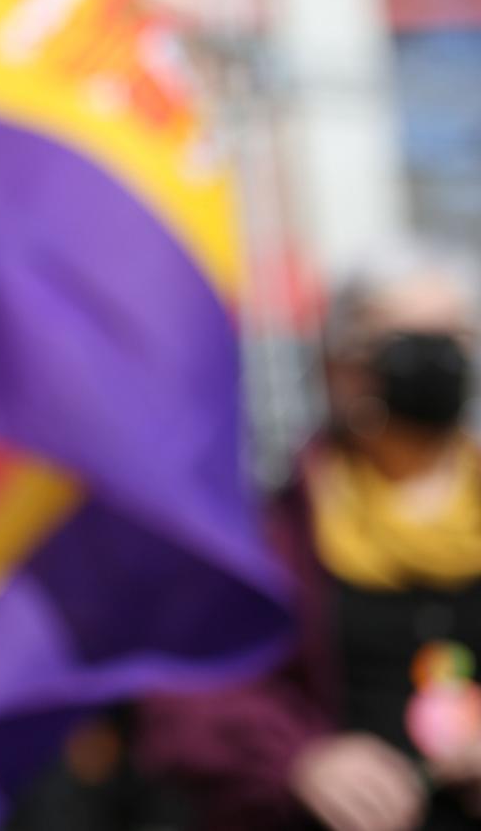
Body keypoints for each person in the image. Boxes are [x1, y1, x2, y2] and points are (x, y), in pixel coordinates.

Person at [139, 241, 481, 831]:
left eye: (451, 343)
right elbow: (189, 695)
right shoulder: (274, 528)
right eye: (402, 346)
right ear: (340, 367)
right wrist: (299, 760)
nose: (431, 365)